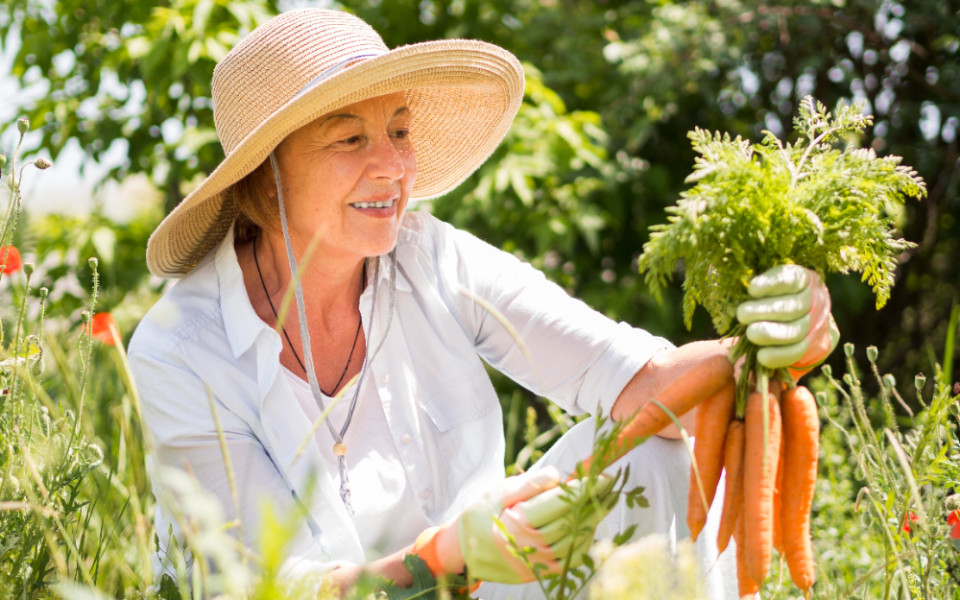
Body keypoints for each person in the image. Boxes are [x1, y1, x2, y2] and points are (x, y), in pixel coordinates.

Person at [128, 8, 839, 599]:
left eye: (399, 131)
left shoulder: (431, 256)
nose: (395, 167)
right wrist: (435, 559)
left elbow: (637, 382)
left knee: (659, 441)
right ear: (262, 178)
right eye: (350, 138)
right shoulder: (181, 351)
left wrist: (762, 341)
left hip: (482, 584)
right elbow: (269, 586)